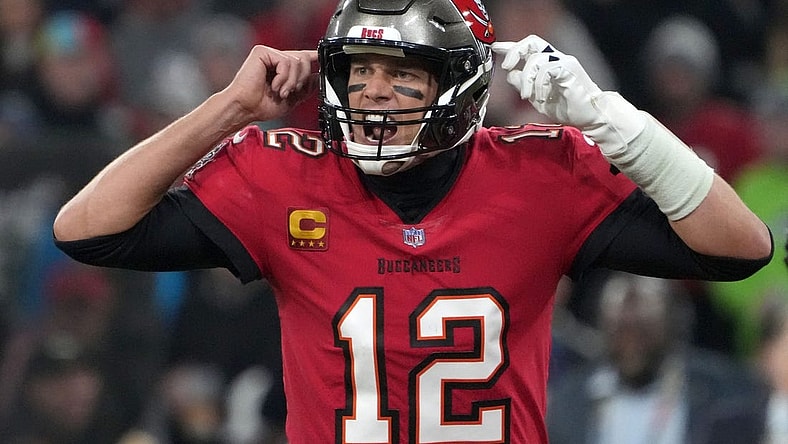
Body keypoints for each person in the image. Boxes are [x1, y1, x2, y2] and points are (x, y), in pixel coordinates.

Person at [51, 0, 773, 442]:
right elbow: (87, 229)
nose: (374, 94)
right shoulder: (284, 175)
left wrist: (611, 119)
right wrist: (229, 108)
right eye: (358, 71)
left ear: (457, 85)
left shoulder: (538, 176)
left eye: (402, 73)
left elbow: (740, 247)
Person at [546, 271, 764, 444]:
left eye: (643, 331)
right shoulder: (569, 400)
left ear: (673, 324)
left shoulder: (725, 393)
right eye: (621, 331)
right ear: (603, 327)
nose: (631, 347)